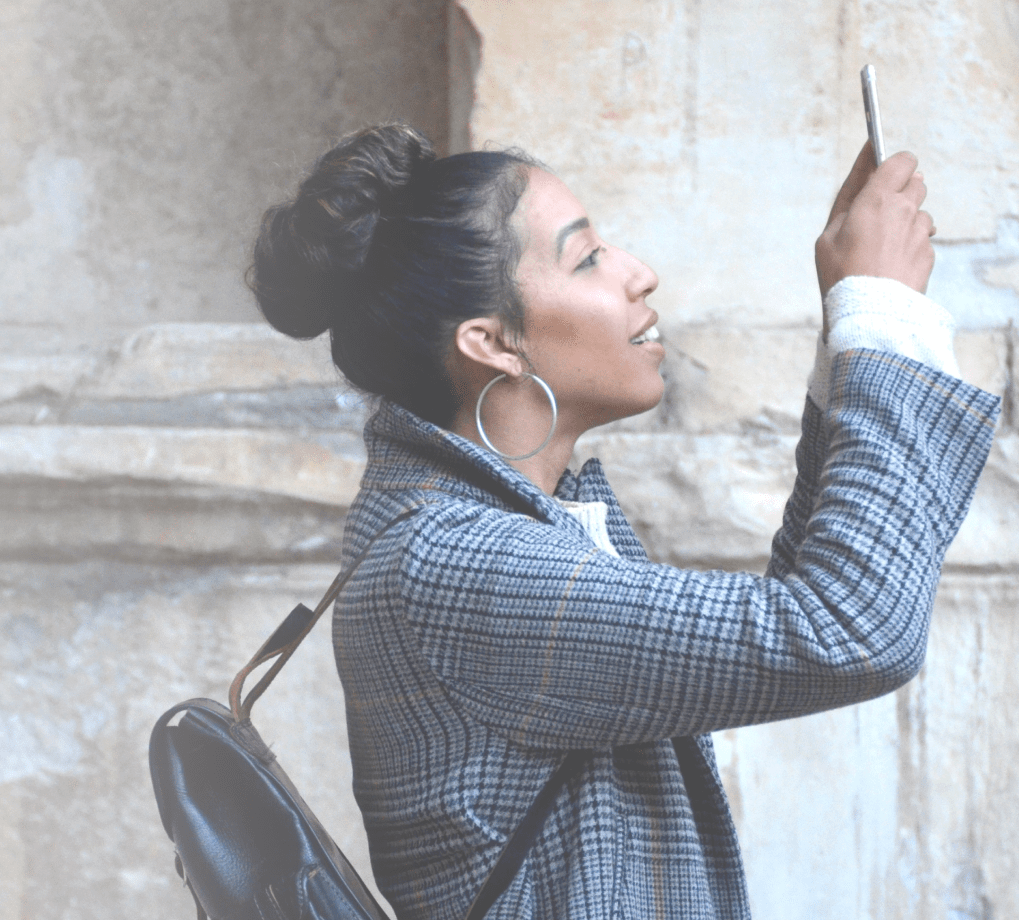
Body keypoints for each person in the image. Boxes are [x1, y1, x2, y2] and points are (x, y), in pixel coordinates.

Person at [248, 123, 999, 919]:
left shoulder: (485, 526)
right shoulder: (451, 562)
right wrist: (878, 314)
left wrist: (853, 330)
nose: (640, 274)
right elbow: (849, 627)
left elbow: (791, 628)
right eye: (588, 257)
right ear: (494, 343)